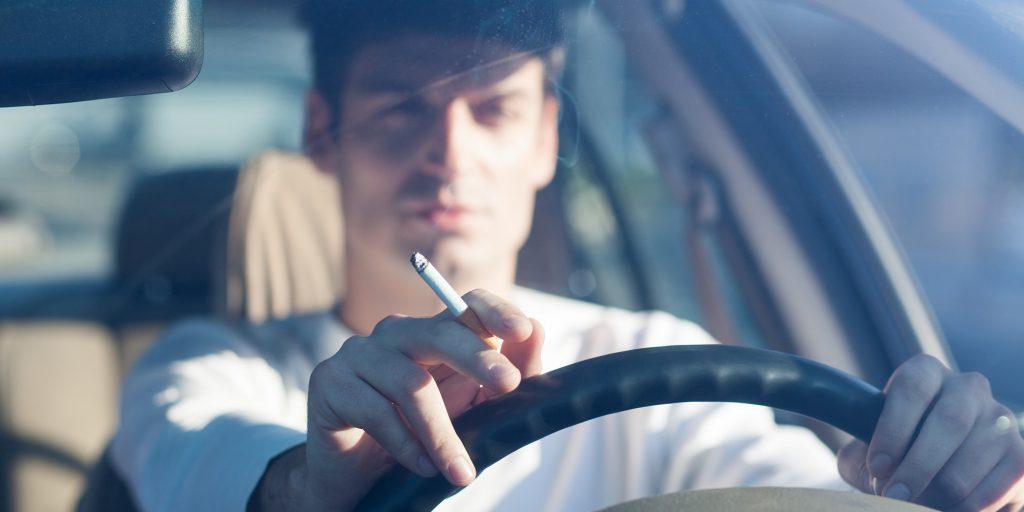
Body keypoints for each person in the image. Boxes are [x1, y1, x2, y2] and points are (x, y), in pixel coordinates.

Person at [110, 1, 1024, 511]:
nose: (450, 153)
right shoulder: (205, 362)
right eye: (402, 109)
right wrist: (312, 485)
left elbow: (778, 488)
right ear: (322, 134)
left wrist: (954, 481)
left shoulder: (656, 357)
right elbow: (200, 464)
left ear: (547, 137)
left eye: (494, 110)